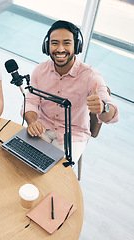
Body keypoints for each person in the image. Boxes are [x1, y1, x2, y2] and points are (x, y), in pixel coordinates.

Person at [23, 20, 119, 163]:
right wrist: (32, 122)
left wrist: (103, 107)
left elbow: (111, 115)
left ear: (77, 46)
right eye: (54, 43)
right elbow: (30, 102)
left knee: (56, 174)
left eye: (67, 43)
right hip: (43, 127)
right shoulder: (39, 70)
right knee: (24, 162)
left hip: (73, 134)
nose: (60, 49)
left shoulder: (91, 76)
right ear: (46, 46)